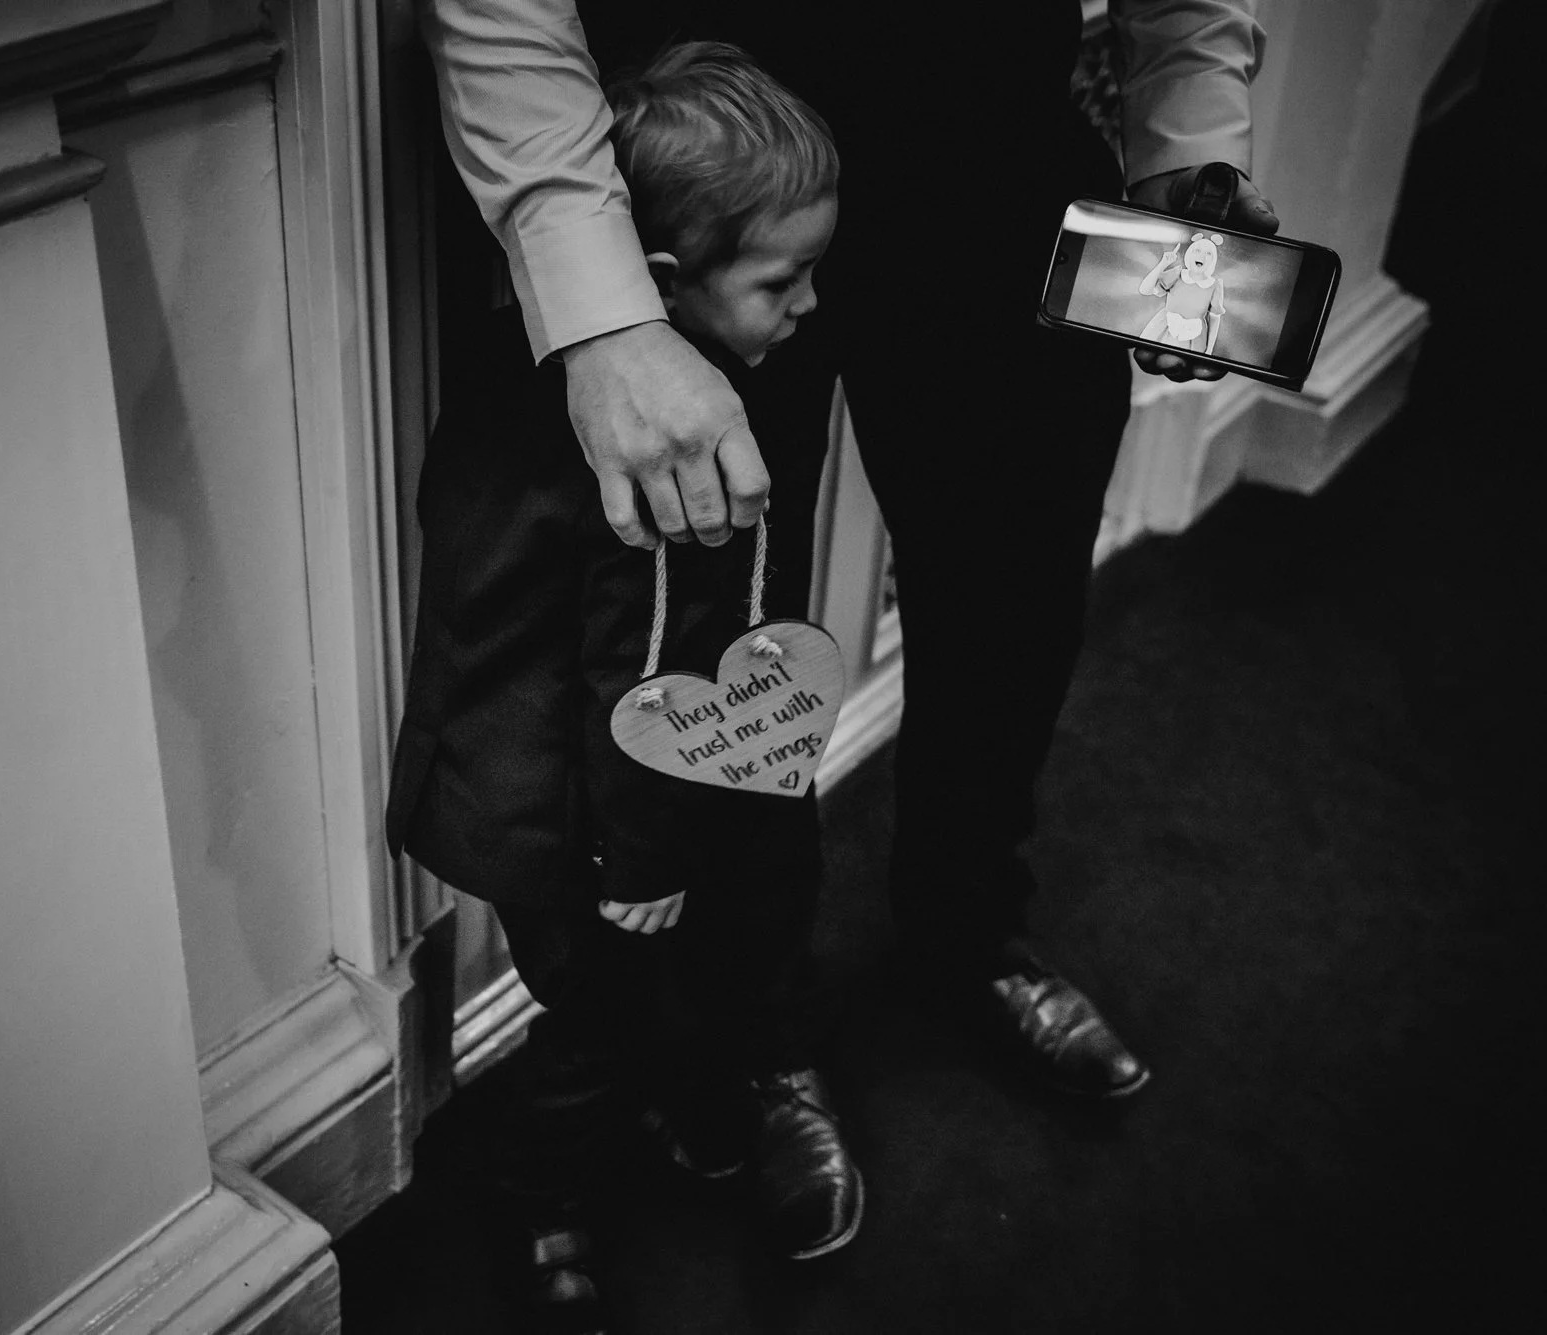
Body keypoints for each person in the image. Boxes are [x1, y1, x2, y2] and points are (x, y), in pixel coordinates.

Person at [419, 0, 1282, 1105]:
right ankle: (758, 1029)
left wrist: (1187, 149)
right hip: (713, 155)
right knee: (716, 638)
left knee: (1013, 589)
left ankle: (966, 932)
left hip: (997, 132)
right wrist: (603, 313)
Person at [388, 43, 860, 1332]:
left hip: (529, 779)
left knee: (627, 1004)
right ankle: (535, 1198)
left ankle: (672, 1104)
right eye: (783, 280)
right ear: (663, 286)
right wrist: (643, 862)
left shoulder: (519, 373)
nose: (811, 307)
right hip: (593, 826)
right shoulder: (672, 458)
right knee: (599, 1030)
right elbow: (641, 677)